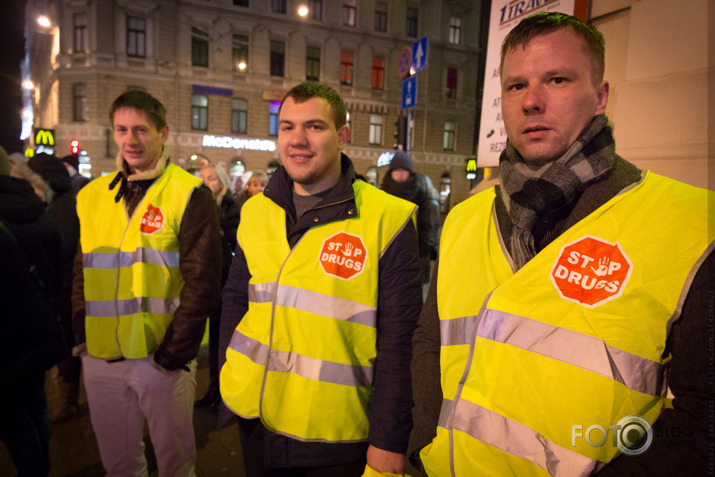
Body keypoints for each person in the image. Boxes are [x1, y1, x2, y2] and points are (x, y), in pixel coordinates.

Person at [409, 12, 712, 476]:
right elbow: (431, 343)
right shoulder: (466, 217)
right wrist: (421, 445)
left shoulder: (687, 222)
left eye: (556, 79)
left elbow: (702, 415)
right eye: (515, 86)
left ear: (600, 96)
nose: (531, 101)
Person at [219, 81, 423, 476]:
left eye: (314, 126)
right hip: (255, 417)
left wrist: (389, 441)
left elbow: (401, 343)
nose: (298, 140)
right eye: (287, 127)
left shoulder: (387, 219)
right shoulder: (257, 211)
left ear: (342, 136)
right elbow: (235, 299)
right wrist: (230, 372)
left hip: (334, 437)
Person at [71, 90, 222, 476]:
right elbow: (81, 270)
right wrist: (81, 333)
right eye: (122, 129)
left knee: (175, 466)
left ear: (163, 133)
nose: (130, 139)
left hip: (161, 359)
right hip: (102, 356)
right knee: (119, 466)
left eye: (141, 129)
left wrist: (175, 353)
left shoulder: (189, 194)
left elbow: (202, 282)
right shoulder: (91, 196)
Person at [0, 145, 65, 476]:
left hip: (6, 339)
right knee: (36, 402)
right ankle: (42, 465)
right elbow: (57, 272)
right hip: (36, 327)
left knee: (12, 417)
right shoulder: (41, 215)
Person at [28, 153, 83, 422]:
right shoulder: (60, 200)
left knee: (69, 344)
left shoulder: (63, 205)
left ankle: (69, 401)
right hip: (63, 286)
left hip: (65, 288)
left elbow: (64, 248)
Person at [196, 164, 240, 410]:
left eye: (211, 178)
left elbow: (235, 238)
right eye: (202, 178)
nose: (205, 182)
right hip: (211, 280)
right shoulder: (201, 206)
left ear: (222, 181)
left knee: (224, 340)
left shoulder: (232, 207)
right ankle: (213, 389)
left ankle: (224, 395)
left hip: (227, 281)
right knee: (213, 342)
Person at [381, 151, 435, 286]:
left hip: (412, 250)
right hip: (387, 249)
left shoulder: (419, 194)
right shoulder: (382, 193)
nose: (399, 174)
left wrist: (424, 252)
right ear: (391, 172)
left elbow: (424, 224)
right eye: (396, 170)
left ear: (410, 172)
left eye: (403, 170)